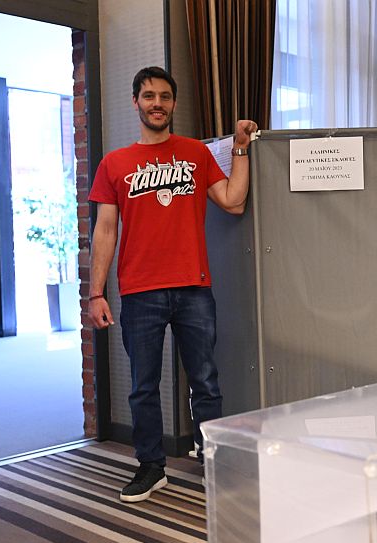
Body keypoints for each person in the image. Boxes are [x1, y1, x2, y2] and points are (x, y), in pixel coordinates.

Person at [88, 66, 257, 502]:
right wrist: (96, 292)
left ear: (174, 103)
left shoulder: (195, 153)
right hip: (140, 291)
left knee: (206, 381)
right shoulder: (114, 163)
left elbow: (233, 202)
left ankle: (213, 462)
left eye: (164, 96)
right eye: (149, 96)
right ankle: (151, 466)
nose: (157, 103)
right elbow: (105, 230)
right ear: (136, 102)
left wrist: (240, 148)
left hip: (193, 287)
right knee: (143, 386)